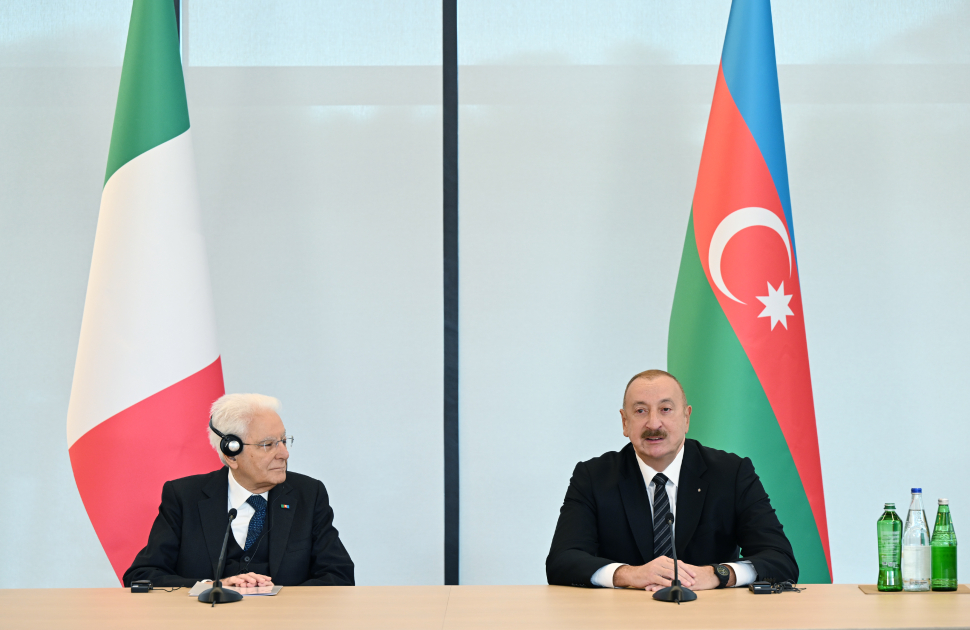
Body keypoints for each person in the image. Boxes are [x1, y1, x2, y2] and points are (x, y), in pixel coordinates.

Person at [546, 369, 797, 590]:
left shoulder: (732, 473)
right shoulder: (593, 477)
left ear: (686, 418)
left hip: (711, 617)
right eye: (641, 411)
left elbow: (779, 558)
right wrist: (629, 574)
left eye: (665, 409)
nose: (654, 423)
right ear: (625, 422)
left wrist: (718, 574)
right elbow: (562, 560)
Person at [123, 393, 354, 588]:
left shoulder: (308, 494)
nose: (284, 453)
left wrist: (279, 598)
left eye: (284, 440)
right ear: (231, 453)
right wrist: (211, 586)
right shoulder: (185, 497)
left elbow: (339, 575)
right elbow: (142, 576)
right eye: (268, 444)